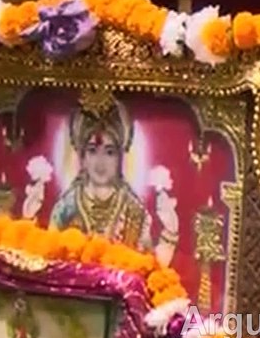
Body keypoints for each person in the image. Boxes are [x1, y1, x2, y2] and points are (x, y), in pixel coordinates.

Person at [43, 96, 179, 267]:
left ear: (120, 158)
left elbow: (149, 268)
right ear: (82, 158)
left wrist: (170, 234)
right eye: (92, 151)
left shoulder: (134, 211)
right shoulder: (66, 208)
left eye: (109, 152)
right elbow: (49, 263)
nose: (101, 162)